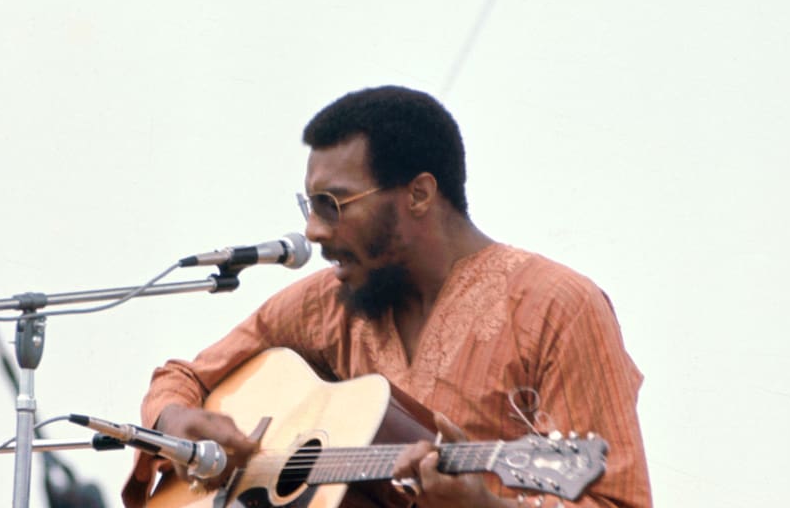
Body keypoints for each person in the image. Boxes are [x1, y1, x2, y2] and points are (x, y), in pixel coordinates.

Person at [122, 86, 651, 507]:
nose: (312, 231)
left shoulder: (556, 306)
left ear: (419, 194)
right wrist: (175, 422)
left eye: (332, 204)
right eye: (309, 205)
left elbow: (616, 500)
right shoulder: (324, 305)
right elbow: (185, 376)